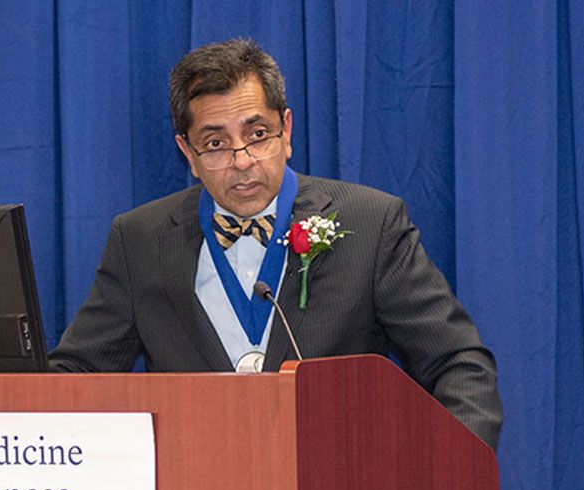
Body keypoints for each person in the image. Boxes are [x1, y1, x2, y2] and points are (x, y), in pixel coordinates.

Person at [49, 38, 501, 449]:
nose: (242, 161)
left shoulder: (370, 224)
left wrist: (448, 474)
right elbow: (78, 375)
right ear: (187, 154)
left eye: (257, 134)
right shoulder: (141, 240)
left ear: (286, 130)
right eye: (215, 143)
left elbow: (459, 363)